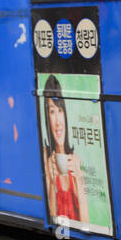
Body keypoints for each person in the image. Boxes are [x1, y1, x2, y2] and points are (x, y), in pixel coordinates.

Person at [41, 74, 85, 223]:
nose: (58, 121)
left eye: (60, 110)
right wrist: (51, 181)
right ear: (47, 117)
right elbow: (52, 216)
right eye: (52, 111)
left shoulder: (75, 159)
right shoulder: (46, 158)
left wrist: (78, 179)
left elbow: (85, 221)